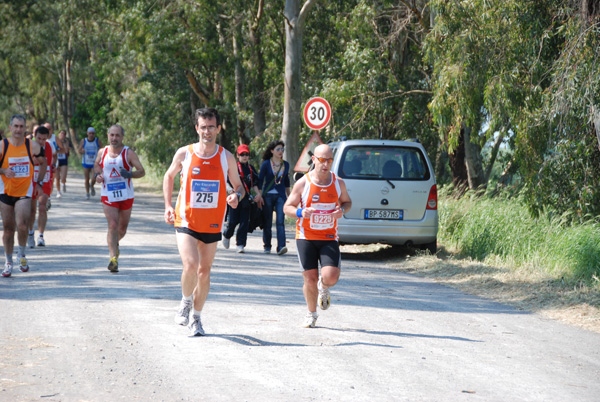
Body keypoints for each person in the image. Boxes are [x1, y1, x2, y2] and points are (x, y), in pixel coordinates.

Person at [163, 108, 245, 336]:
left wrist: (235, 197)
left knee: (204, 272)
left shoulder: (225, 157)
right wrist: (168, 206)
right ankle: (186, 300)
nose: (207, 131)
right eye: (203, 127)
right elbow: (169, 176)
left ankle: (196, 319)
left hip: (212, 222)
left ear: (218, 129)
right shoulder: (185, 154)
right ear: (196, 128)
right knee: (190, 265)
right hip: (186, 218)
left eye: (211, 127)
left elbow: (239, 187)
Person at [283, 144, 352, 328]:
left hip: (328, 237)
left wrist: (341, 211)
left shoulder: (338, 183)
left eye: (329, 160)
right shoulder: (304, 183)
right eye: (322, 160)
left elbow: (347, 202)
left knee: (331, 276)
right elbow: (287, 207)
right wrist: (300, 212)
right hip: (306, 236)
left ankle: (324, 287)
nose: (326, 164)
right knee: (309, 278)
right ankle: (311, 314)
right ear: (313, 160)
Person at [94, 124, 145, 273]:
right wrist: (98, 175)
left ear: (122, 137)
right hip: (108, 194)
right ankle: (113, 259)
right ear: (108, 136)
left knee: (122, 228)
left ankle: (114, 245)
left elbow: (142, 171)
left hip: (126, 195)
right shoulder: (102, 152)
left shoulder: (128, 153)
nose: (114, 138)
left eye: (117, 135)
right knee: (113, 225)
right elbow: (97, 165)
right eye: (112, 135)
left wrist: (130, 174)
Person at [0, 114, 47, 277]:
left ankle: (21, 254)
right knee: (8, 228)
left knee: (21, 225)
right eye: (16, 126)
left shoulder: (32, 146)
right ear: (10, 127)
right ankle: (8, 261)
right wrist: (3, 170)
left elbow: (44, 162)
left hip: (24, 191)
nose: (18, 129)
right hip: (5, 191)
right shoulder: (2, 146)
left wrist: (39, 182)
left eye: (21, 126)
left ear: (25, 128)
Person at [222, 144, 263, 253]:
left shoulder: (251, 169)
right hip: (234, 198)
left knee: (245, 222)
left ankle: (240, 244)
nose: (244, 156)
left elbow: (254, 183)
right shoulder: (233, 167)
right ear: (237, 155)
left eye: (246, 154)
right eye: (242, 154)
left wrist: (258, 194)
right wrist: (230, 191)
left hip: (246, 199)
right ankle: (227, 234)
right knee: (233, 222)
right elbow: (226, 181)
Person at [257, 140, 291, 255]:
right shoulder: (266, 164)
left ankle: (281, 246)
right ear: (272, 151)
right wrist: (260, 195)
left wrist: (290, 196)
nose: (281, 151)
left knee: (280, 221)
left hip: (281, 195)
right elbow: (260, 180)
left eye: (282, 149)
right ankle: (267, 246)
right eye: (278, 149)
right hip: (267, 195)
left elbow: (286, 181)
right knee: (268, 222)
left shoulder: (285, 164)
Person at [28, 126, 54, 248]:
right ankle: (30, 233)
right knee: (32, 210)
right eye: (39, 138)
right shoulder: (28, 146)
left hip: (45, 179)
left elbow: (49, 163)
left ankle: (41, 236)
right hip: (32, 180)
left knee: (42, 207)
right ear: (34, 136)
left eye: (44, 139)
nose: (41, 141)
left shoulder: (49, 146)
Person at [79, 127, 102, 200]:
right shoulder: (84, 141)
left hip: (95, 162)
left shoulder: (97, 141)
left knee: (94, 178)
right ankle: (87, 193)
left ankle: (92, 186)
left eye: (93, 133)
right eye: (90, 133)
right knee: (86, 178)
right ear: (87, 133)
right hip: (86, 162)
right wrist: (81, 151)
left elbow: (102, 150)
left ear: (94, 134)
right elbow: (79, 150)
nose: (91, 135)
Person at [54, 130, 70, 197]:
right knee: (57, 177)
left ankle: (63, 183)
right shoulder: (55, 141)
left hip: (63, 160)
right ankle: (58, 191)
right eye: (61, 133)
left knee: (63, 177)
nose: (62, 135)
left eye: (64, 134)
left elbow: (67, 151)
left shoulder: (66, 142)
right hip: (56, 160)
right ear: (58, 134)